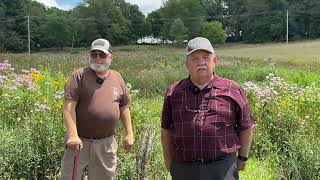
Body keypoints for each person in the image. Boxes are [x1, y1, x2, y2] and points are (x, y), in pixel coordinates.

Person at [161, 37, 254, 180]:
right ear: (187, 64)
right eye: (195, 58)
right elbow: (166, 130)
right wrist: (168, 161)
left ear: (215, 61)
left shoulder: (232, 89)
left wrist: (242, 157)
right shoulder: (174, 92)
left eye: (206, 57)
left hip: (222, 168)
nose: (201, 63)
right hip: (184, 168)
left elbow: (246, 126)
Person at [61, 38, 134, 180]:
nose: (98, 58)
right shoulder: (79, 75)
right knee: (70, 177)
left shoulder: (117, 77)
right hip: (79, 143)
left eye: (102, 55)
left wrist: (129, 133)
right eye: (94, 54)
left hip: (105, 144)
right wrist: (72, 135)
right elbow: (68, 108)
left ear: (110, 57)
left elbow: (124, 107)